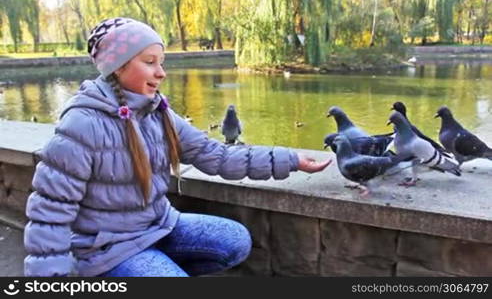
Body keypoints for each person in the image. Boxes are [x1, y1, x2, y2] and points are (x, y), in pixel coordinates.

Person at [23, 17, 332, 277]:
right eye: (149, 62)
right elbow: (50, 212)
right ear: (117, 67)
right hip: (107, 249)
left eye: (162, 62)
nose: (161, 73)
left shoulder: (158, 111)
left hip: (158, 226)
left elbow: (216, 156)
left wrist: (290, 159)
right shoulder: (82, 124)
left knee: (236, 240)